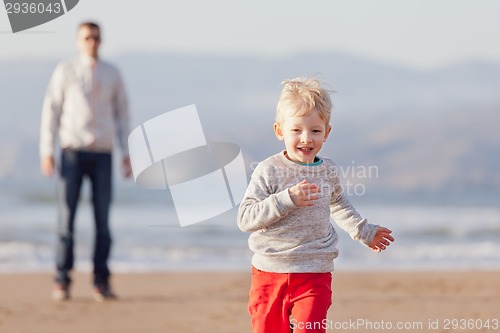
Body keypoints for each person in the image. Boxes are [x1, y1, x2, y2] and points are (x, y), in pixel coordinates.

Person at [237, 77, 394, 333]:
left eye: (315, 130)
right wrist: (286, 199)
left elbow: (339, 204)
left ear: (327, 132)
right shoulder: (269, 170)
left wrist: (364, 231)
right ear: (280, 131)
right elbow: (246, 218)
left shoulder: (328, 170)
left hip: (314, 272)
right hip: (269, 272)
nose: (306, 138)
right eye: (296, 130)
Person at [39, 21, 131, 302]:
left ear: (101, 41)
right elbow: (51, 109)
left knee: (102, 221)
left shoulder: (112, 73)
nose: (92, 42)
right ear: (79, 40)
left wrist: (126, 153)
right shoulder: (65, 70)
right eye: (87, 37)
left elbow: (122, 114)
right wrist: (47, 150)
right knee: (66, 219)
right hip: (71, 152)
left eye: (96, 37)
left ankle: (101, 281)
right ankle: (62, 279)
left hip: (103, 152)